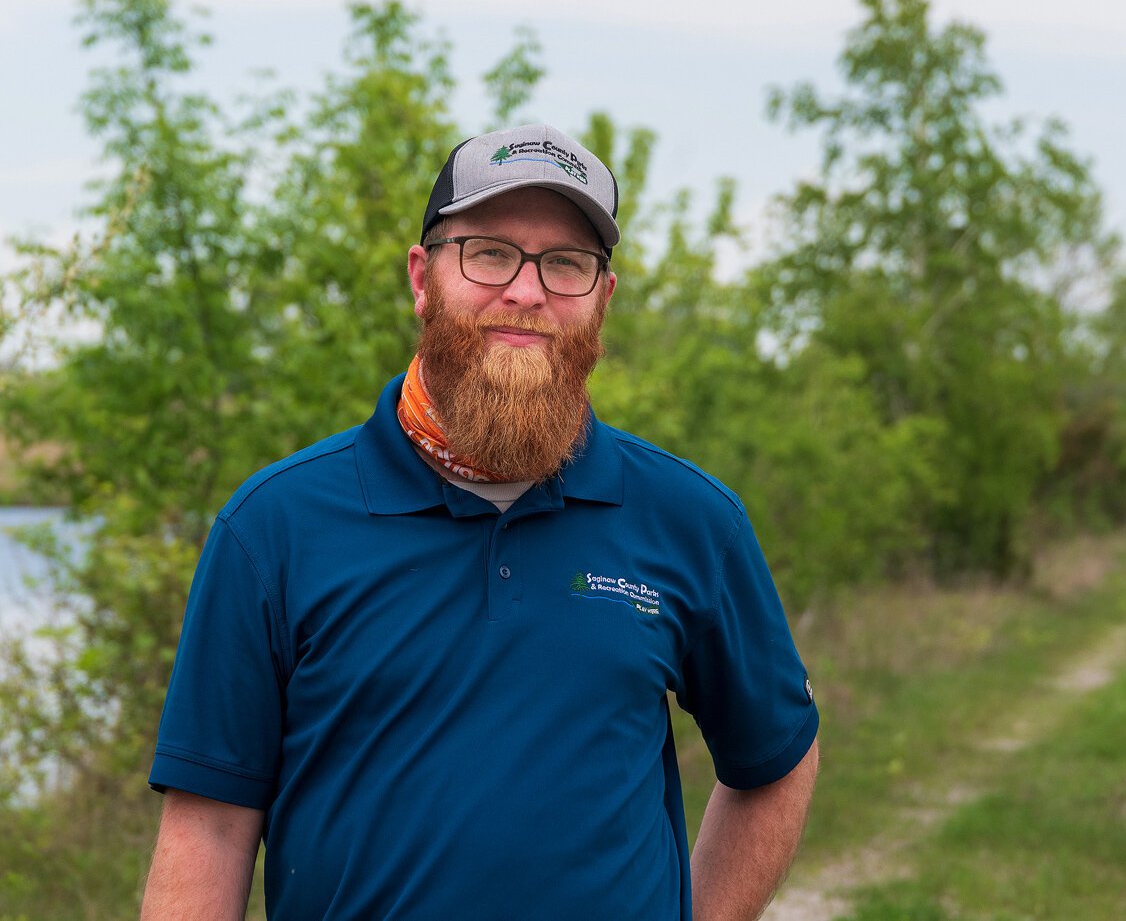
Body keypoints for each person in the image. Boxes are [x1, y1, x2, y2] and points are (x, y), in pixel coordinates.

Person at [140, 124, 821, 920]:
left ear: (601, 300)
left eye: (566, 263)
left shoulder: (691, 520)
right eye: (490, 252)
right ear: (423, 279)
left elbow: (775, 757)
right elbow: (210, 828)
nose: (527, 293)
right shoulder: (275, 528)